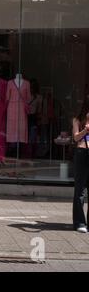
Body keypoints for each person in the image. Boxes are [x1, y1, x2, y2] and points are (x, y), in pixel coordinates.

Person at [72, 99, 89, 233]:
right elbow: (76, 138)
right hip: (82, 152)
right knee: (80, 190)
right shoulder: (77, 120)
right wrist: (85, 130)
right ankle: (79, 222)